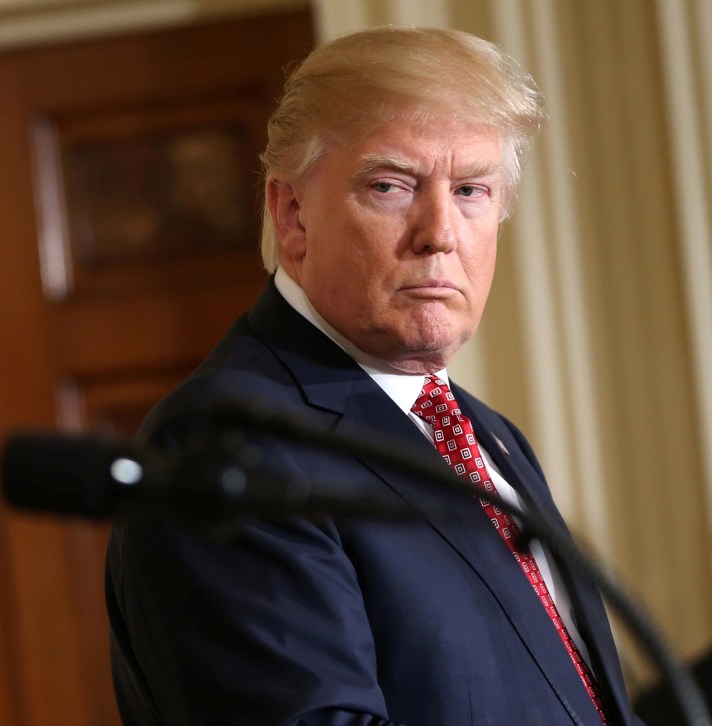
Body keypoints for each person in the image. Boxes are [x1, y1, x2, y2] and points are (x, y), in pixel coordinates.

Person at [106, 26, 643, 725]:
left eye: (472, 189)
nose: (440, 232)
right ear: (292, 214)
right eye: (391, 186)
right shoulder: (226, 447)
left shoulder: (490, 437)